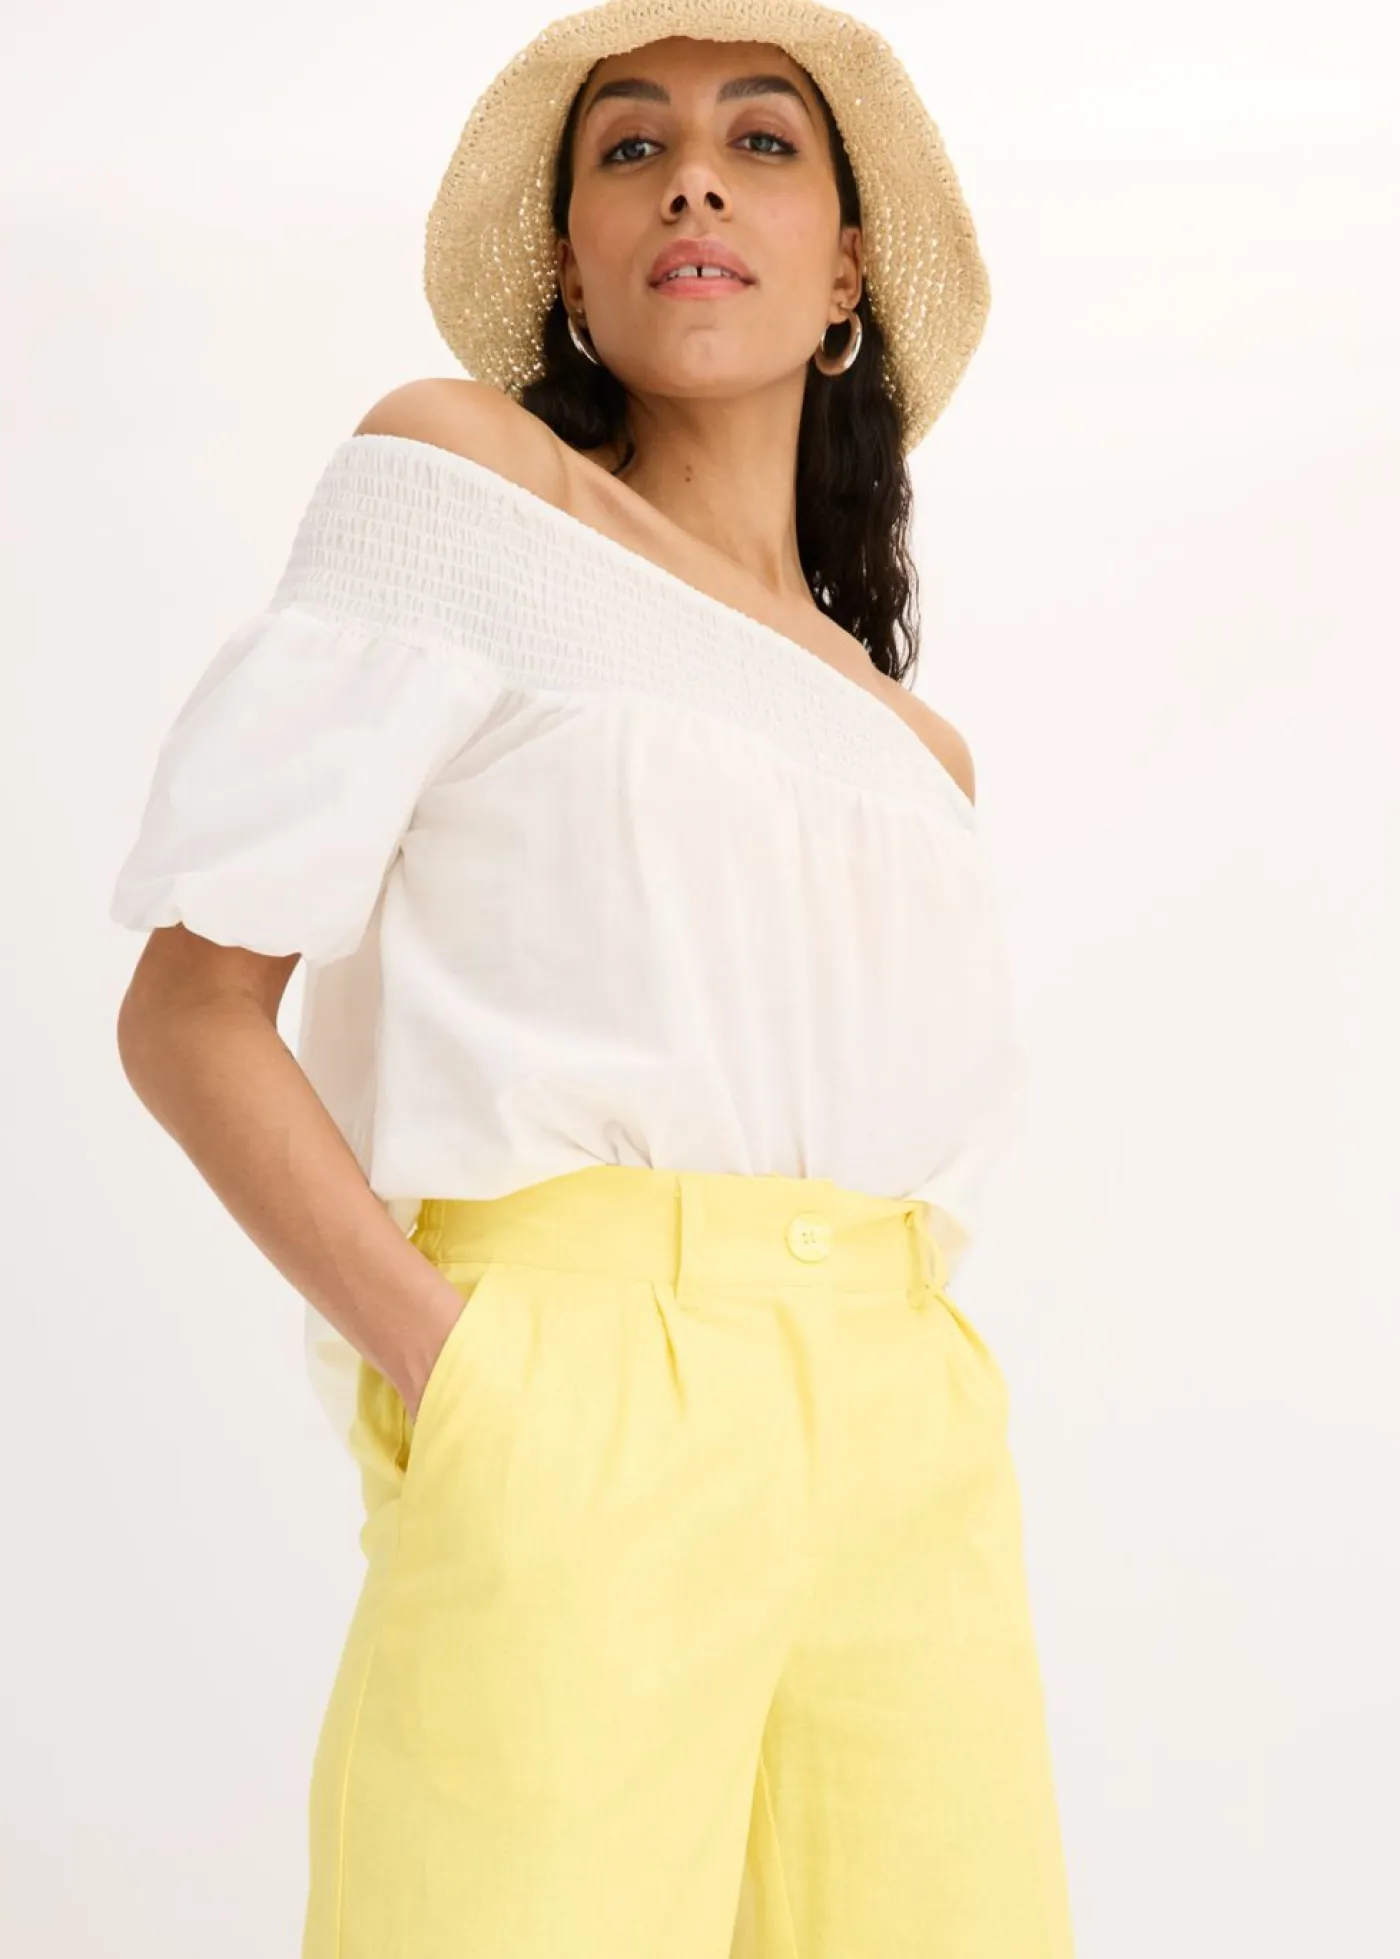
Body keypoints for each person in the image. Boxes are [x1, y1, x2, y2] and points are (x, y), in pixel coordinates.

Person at [108, 3, 1076, 1954]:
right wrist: (464, 1371)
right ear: (570, 263)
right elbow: (190, 1007)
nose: (692, 178)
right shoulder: (469, 486)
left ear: (848, 274)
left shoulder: (920, 750)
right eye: (631, 148)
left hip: (908, 1430)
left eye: (760, 142)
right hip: (579, 1398)